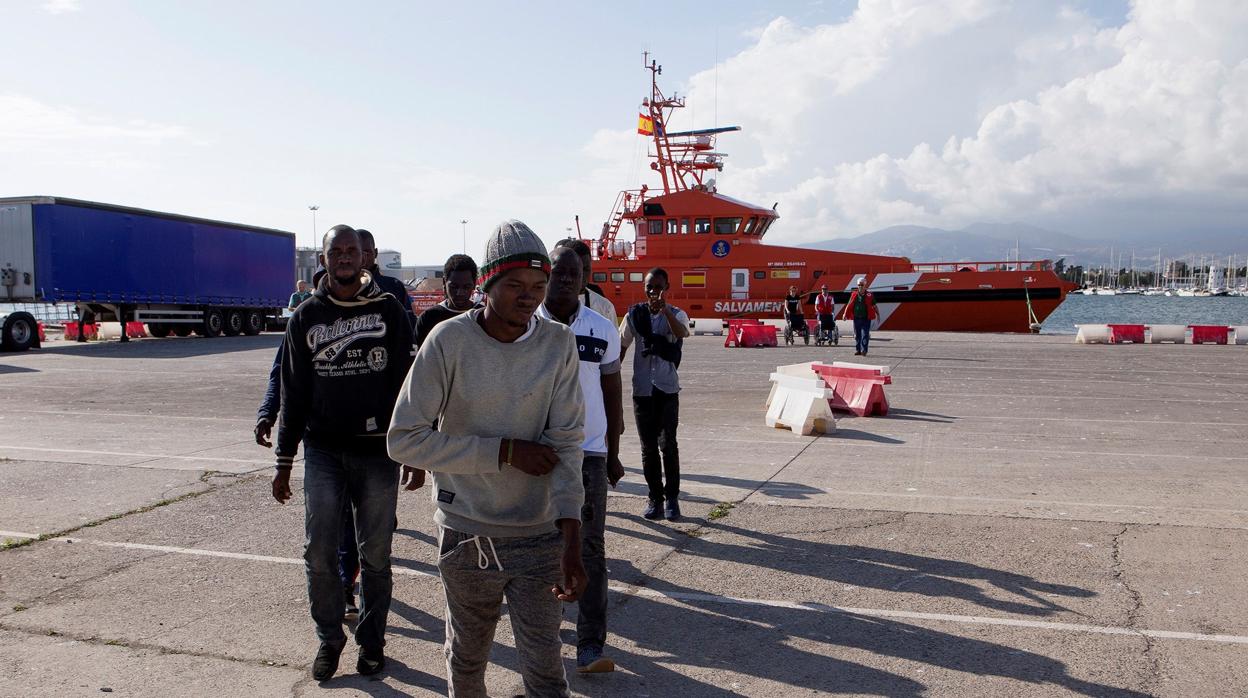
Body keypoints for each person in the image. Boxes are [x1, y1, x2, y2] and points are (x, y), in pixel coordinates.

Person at [387, 220, 587, 697]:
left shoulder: (558, 344)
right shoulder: (448, 341)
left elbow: (567, 447)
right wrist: (504, 452)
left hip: (539, 535)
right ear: (486, 285)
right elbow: (404, 440)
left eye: (538, 286)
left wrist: (572, 540)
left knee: (545, 674)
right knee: (467, 663)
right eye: (515, 286)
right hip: (467, 533)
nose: (530, 297)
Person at [272, 224, 419, 682]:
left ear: (365, 258)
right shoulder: (306, 317)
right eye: (335, 251)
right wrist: (283, 459)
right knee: (318, 551)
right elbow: (292, 391)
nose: (343, 258)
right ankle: (329, 639)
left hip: (378, 454)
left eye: (351, 251)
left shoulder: (391, 311)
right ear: (324, 259)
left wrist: (413, 448)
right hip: (323, 451)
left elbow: (407, 387)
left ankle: (372, 644)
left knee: (375, 554)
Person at [258, 270, 379, 622]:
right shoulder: (307, 318)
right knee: (336, 526)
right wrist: (268, 413)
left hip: (371, 447)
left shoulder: (381, 307)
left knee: (367, 535)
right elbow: (282, 373)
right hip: (325, 445)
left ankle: (358, 594)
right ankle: (343, 587)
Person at [537, 245, 624, 674]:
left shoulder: (603, 329)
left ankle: (590, 644)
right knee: (540, 547)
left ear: (585, 276)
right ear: (546, 274)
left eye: (575, 272)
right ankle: (543, 639)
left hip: (589, 453)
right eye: (559, 272)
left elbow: (611, 392)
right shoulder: (528, 325)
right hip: (537, 450)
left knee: (590, 550)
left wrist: (614, 452)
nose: (567, 279)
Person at [620, 268, 689, 521]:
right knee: (648, 448)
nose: (653, 292)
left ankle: (672, 499)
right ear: (644, 288)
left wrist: (665, 311)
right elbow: (622, 346)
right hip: (642, 391)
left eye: (658, 287)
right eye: (649, 287)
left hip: (667, 388)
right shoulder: (633, 315)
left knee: (668, 446)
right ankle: (654, 498)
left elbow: (682, 333)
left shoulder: (678, 314)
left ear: (666, 287)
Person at [413, 254, 482, 348]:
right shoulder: (428, 318)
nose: (460, 293)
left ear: (474, 284)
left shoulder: (484, 316)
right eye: (454, 287)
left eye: (466, 287)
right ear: (444, 282)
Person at [356, 229, 415, 326]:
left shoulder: (394, 286)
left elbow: (409, 325)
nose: (363, 258)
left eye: (367, 252)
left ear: (375, 253)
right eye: (358, 252)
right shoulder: (342, 289)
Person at [555, 237, 617, 328]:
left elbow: (613, 340)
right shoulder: (546, 304)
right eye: (576, 269)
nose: (582, 275)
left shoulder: (605, 308)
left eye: (586, 269)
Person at [841, 276, 878, 356]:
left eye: (862, 285)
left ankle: (864, 350)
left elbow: (874, 306)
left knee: (865, 334)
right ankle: (858, 350)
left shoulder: (870, 295)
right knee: (857, 335)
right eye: (859, 285)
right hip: (856, 318)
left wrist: (878, 314)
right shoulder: (854, 294)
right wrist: (845, 314)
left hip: (866, 318)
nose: (860, 286)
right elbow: (849, 305)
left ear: (865, 286)